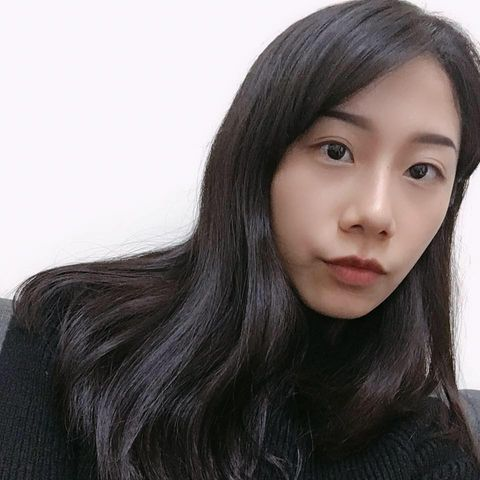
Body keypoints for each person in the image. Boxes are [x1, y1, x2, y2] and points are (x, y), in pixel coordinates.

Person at [1, 0, 480, 478]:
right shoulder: (73, 333)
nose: (375, 214)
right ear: (260, 157)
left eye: (422, 171)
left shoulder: (433, 454)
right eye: (336, 151)